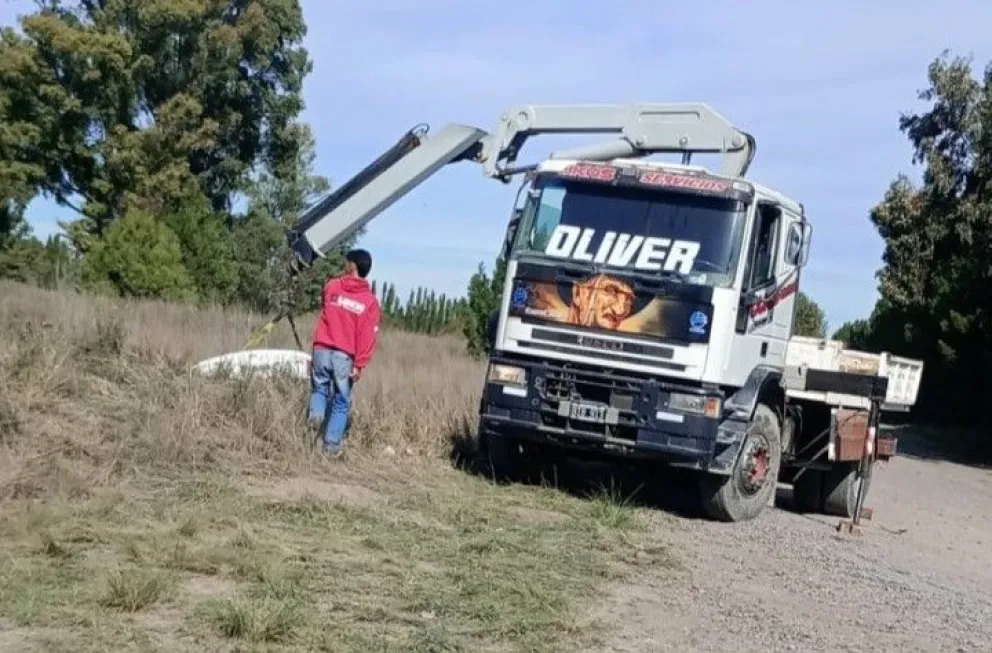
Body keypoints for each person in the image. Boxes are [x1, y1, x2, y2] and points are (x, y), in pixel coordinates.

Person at [308, 249, 381, 457]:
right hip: (344, 356)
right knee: (341, 401)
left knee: (319, 389)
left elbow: (325, 307)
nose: (343, 265)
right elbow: (367, 336)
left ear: (353, 266)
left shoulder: (331, 286)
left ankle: (314, 419)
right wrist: (359, 364)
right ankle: (331, 448)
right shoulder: (369, 302)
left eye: (346, 262)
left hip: (322, 349)